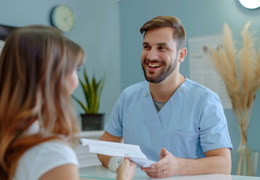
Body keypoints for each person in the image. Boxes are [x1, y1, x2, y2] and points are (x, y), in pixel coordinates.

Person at [97, 16, 233, 178]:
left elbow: (224, 164)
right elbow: (104, 147)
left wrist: (177, 166)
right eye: (147, 47)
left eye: (162, 48)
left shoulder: (205, 101)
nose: (151, 56)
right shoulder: (128, 97)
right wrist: (117, 162)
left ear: (181, 55)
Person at [0, 25, 136, 180]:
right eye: (74, 69)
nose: (75, 80)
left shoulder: (10, 140)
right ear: (53, 76)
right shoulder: (52, 155)